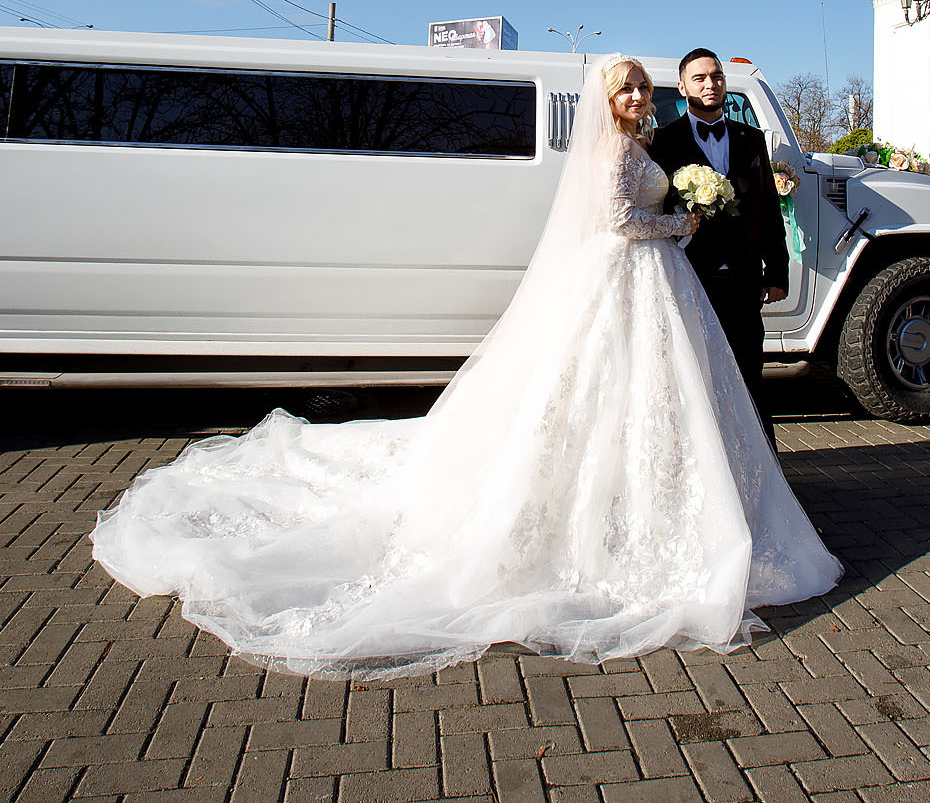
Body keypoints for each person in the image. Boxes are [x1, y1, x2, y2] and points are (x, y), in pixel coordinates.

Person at [90, 54, 840, 680]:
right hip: (631, 276)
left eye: (645, 86)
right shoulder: (620, 149)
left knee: (646, 404)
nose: (639, 95)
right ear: (609, 98)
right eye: (628, 86)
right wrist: (682, 220)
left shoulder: (647, 143)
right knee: (599, 398)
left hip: (657, 285)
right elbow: (617, 218)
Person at [648, 50, 789, 449]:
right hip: (690, 277)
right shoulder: (663, 140)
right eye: (700, 79)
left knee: (749, 377)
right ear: (682, 87)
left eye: (717, 77)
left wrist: (777, 272)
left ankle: (766, 473)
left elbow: (767, 208)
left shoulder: (751, 139)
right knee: (693, 379)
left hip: (744, 280)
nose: (710, 85)